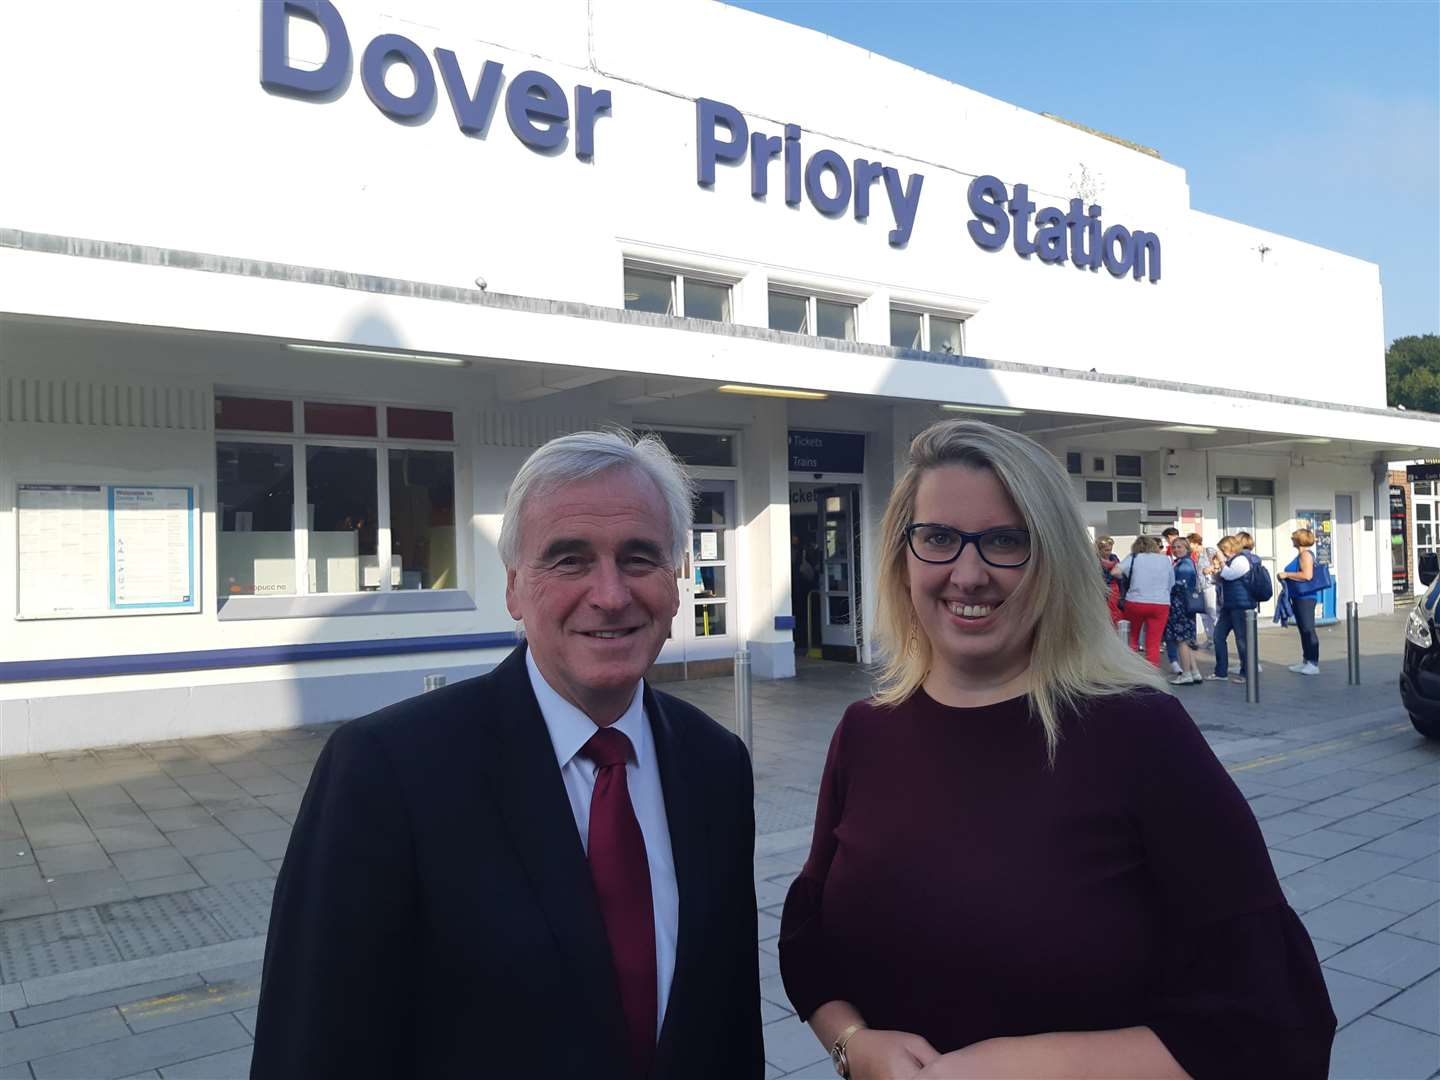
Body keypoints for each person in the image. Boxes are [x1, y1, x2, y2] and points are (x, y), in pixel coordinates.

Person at [777, 419, 1335, 1080]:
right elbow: (809, 942)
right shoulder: (865, 732)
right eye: (938, 539)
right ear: (904, 556)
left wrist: (1011, 1067)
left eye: (1007, 541)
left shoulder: (1141, 735)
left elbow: (1273, 1020)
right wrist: (852, 1041)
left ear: (1055, 562)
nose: (969, 573)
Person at [251, 430, 764, 1080]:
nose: (610, 594)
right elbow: (312, 1050)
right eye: (570, 560)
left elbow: (729, 1027)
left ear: (675, 580)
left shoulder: (716, 766)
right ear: (515, 588)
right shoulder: (385, 774)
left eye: (639, 558)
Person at [1110, 535, 1174, 666]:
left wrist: (1127, 577)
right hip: (1160, 603)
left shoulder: (1133, 557)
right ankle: (1152, 670)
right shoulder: (1165, 560)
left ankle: (1132, 668)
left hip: (1135, 601)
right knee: (1154, 641)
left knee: (1132, 638)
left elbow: (1114, 572)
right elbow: (1171, 582)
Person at [1205, 535, 1256, 684]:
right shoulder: (1230, 562)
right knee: (1218, 637)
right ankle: (1221, 671)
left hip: (1241, 605)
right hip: (1229, 605)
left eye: (1221, 549)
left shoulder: (1241, 560)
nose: (1219, 552)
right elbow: (1220, 578)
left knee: (1242, 640)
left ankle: (1247, 673)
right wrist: (1212, 573)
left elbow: (1229, 575)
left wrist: (1221, 561)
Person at [1277, 528, 1322, 675]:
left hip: (1306, 598)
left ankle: (1313, 663)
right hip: (1299, 596)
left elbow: (1307, 575)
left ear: (1299, 540)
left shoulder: (1305, 555)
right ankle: (1306, 660)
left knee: (1308, 629)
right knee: (1303, 629)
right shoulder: (1302, 555)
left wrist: (1286, 574)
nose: (1291, 539)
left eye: (1293, 537)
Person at [1164, 536, 1203, 685]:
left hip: (1180, 605)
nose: (1176, 550)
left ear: (1187, 548)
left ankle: (1186, 673)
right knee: (1186, 640)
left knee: (1181, 641)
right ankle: (1194, 671)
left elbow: (1181, 585)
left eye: (1179, 547)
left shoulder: (1184, 564)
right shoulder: (1183, 562)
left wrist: (1168, 586)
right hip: (1185, 605)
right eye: (1174, 547)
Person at [1187, 531, 1218, 646]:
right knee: (1203, 615)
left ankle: (1218, 638)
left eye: (1190, 543)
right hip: (1198, 588)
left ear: (1196, 543)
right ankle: (1210, 639)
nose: (1188, 546)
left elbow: (1221, 560)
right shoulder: (1192, 556)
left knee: (1212, 612)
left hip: (1209, 586)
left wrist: (1212, 567)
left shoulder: (1209, 551)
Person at [1096, 535, 1122, 624]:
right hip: (1103, 589)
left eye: (1110, 550)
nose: (1108, 552)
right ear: (1099, 550)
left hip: (1116, 589)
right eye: (1106, 550)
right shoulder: (1096, 560)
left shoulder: (1114, 557)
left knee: (1116, 611)